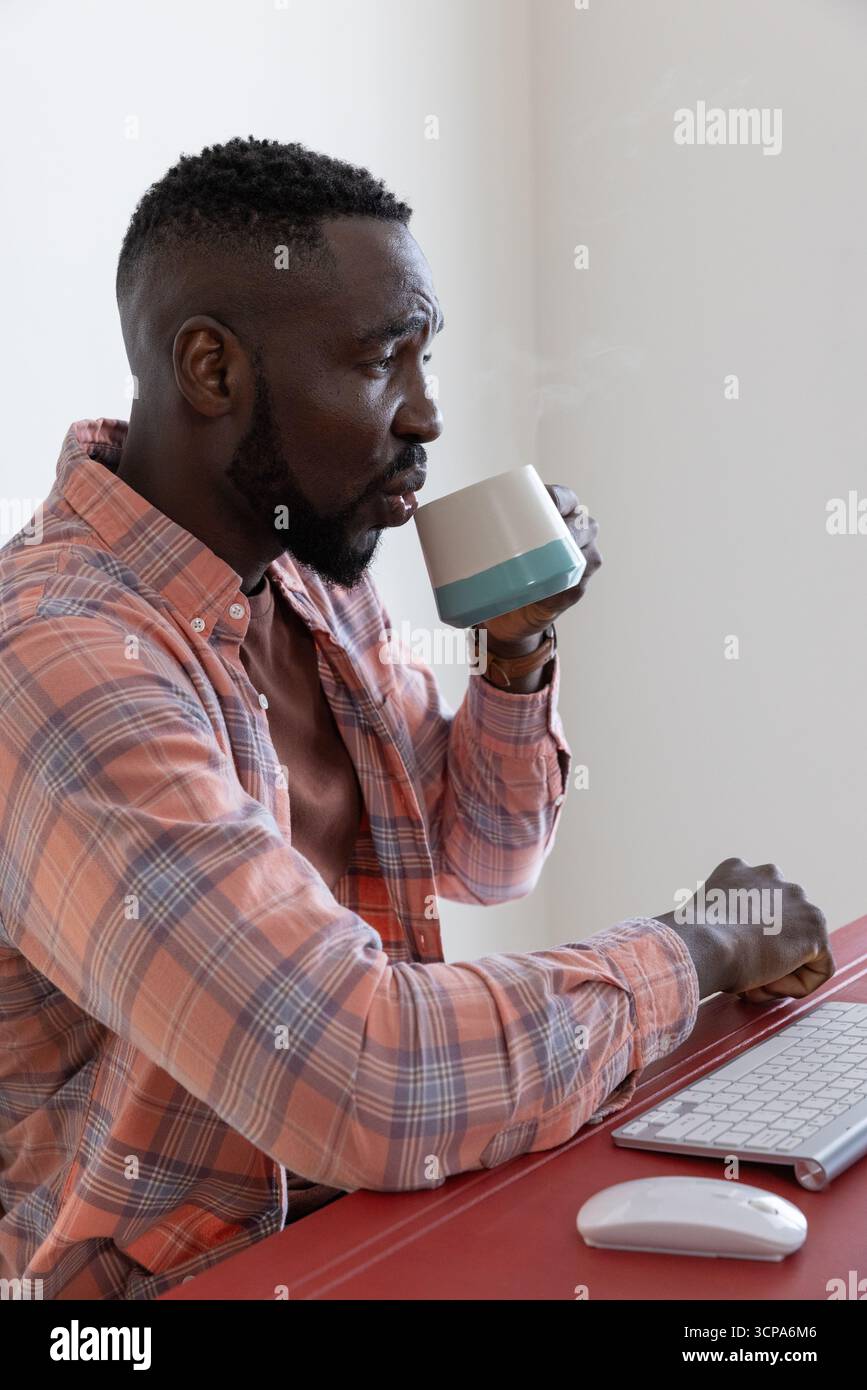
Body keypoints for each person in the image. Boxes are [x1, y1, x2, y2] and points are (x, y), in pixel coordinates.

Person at [0, 137, 833, 1300]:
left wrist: (516, 651)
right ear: (211, 368)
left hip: (363, 1230)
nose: (428, 414)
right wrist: (702, 944)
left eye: (425, 356)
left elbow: (480, 857)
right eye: (384, 360)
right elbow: (364, 1078)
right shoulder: (56, 661)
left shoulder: (306, 566)